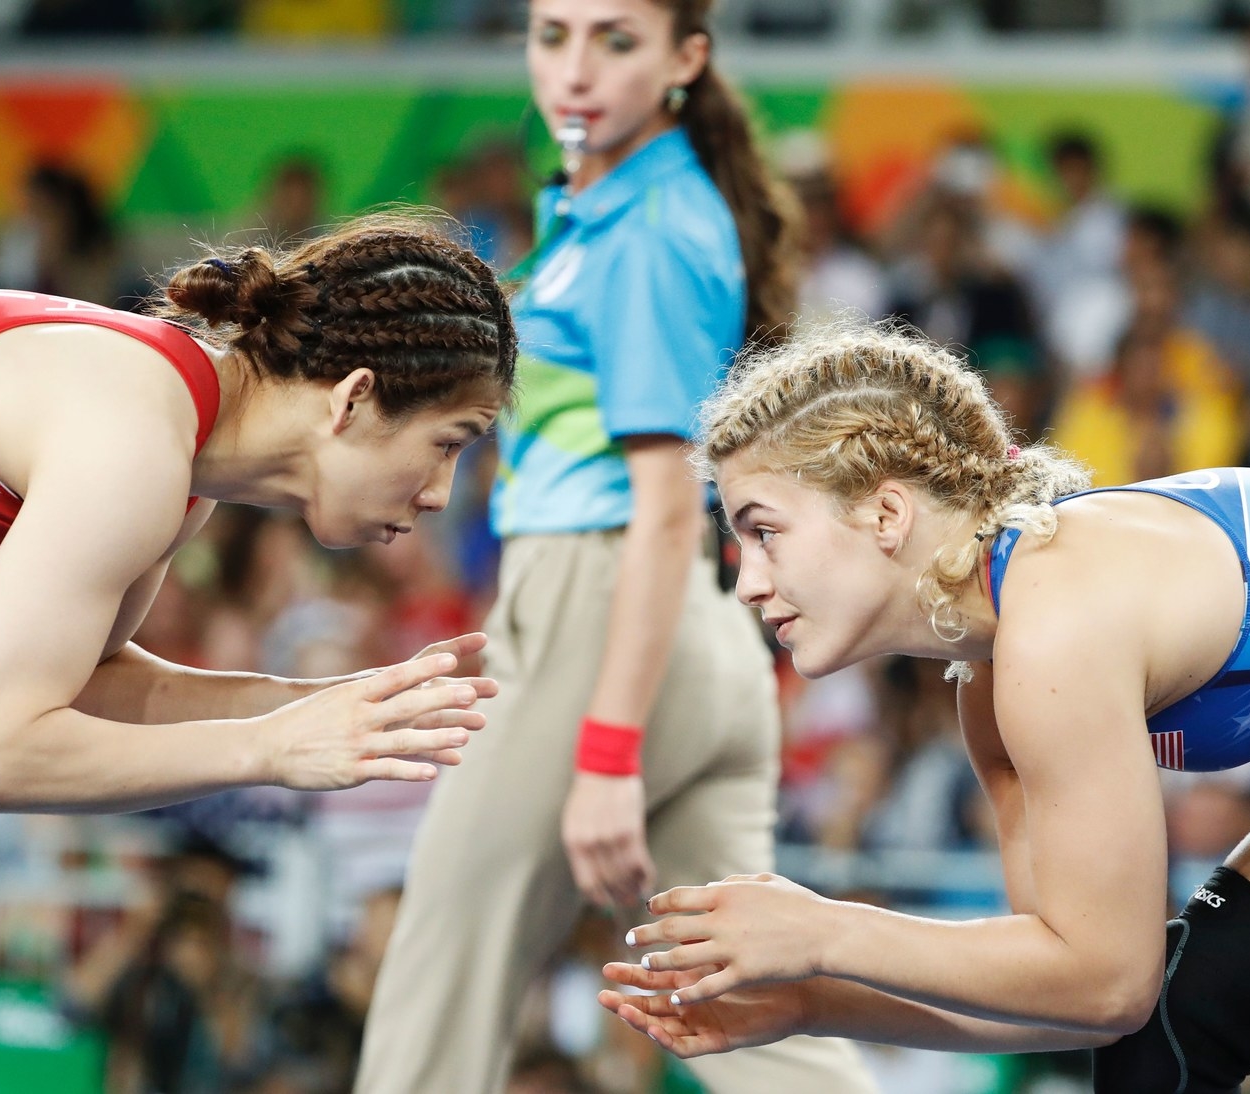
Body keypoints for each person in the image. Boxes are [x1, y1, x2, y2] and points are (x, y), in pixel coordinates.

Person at [601, 316, 1250, 1093]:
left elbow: (1110, 983)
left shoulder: (1054, 622)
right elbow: (1076, 999)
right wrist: (812, 999)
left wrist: (823, 931)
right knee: (1167, 1044)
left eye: (763, 530)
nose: (746, 581)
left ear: (886, 513)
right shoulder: (993, 674)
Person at [0, 213, 515, 1093]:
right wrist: (271, 748)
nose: (445, 493)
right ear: (354, 396)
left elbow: (87, 687)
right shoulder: (136, 448)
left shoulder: (175, 447)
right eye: (448, 443)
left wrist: (325, 706)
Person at [356, 3, 876, 1091]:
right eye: (553, 35)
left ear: (687, 58)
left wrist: (605, 751)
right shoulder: (612, 208)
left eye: (617, 39)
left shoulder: (647, 230)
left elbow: (669, 501)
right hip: (684, 639)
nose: (575, 70)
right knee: (754, 1019)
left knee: (436, 982)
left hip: (607, 618)